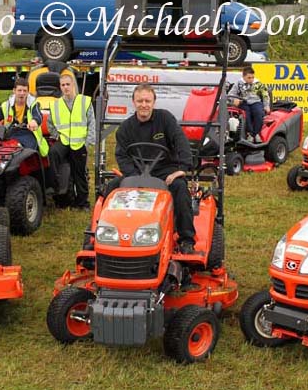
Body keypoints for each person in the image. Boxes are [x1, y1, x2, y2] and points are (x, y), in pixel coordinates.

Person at [112, 83, 196, 254]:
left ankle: (186, 239)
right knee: (111, 188)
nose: (144, 104)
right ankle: (103, 234)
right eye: (140, 101)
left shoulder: (165, 119)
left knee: (180, 188)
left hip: (165, 171)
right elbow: (122, 156)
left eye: (147, 101)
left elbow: (181, 141)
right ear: (133, 102)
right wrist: (133, 177)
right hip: (137, 171)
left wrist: (183, 168)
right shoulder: (125, 128)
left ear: (154, 102)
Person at [47, 73, 95, 210]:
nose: (66, 87)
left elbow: (92, 123)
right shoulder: (56, 104)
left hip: (79, 142)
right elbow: (50, 124)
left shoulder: (84, 101)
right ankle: (58, 194)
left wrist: (87, 142)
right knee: (53, 154)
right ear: (60, 87)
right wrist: (57, 136)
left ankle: (82, 203)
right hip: (63, 140)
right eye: (63, 85)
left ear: (73, 85)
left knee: (79, 173)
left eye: (68, 84)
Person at [0, 77, 49, 157]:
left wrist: (35, 121)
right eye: (19, 90)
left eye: (24, 91)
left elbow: (38, 115)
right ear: (14, 91)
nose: (22, 93)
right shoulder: (7, 106)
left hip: (29, 134)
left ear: (28, 92)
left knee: (24, 154)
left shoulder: (33, 104)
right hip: (11, 134)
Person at [228, 66, 270, 143]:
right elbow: (231, 94)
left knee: (259, 113)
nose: (251, 80)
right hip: (244, 102)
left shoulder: (258, 83)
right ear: (243, 76)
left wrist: (266, 106)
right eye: (249, 78)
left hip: (256, 102)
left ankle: (256, 133)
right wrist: (234, 99)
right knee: (246, 114)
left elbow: (265, 95)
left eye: (252, 77)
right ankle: (250, 133)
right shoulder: (238, 83)